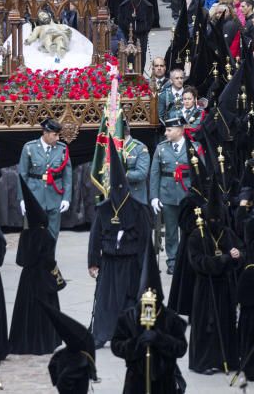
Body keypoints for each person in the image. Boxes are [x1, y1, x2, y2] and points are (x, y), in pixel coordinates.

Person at [88, 139, 150, 349]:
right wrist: (93, 262)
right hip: (109, 261)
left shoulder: (137, 208)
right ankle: (101, 333)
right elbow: (95, 236)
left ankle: (128, 332)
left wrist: (144, 266)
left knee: (129, 299)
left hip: (130, 260)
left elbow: (144, 240)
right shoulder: (104, 208)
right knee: (106, 299)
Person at [111, 236, 187, 393]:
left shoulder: (171, 319)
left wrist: (159, 339)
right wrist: (137, 343)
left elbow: (181, 348)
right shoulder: (128, 318)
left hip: (164, 383)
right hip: (135, 382)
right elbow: (116, 346)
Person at [188, 175, 243, 374]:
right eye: (212, 219)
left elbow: (239, 251)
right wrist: (224, 259)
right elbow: (198, 262)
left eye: (218, 219)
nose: (215, 222)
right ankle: (203, 361)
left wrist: (237, 256)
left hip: (225, 287)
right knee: (206, 326)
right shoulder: (197, 235)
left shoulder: (227, 233)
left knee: (226, 323)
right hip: (206, 287)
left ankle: (226, 359)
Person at [9, 177, 62, 355]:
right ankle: (45, 343)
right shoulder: (46, 236)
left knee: (25, 314)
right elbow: (49, 260)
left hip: (27, 279)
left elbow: (20, 261)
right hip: (43, 278)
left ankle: (24, 343)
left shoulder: (25, 236)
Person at [18, 118, 72, 242]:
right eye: (55, 135)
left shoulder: (62, 149)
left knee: (52, 233)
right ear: (46, 133)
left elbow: (67, 176)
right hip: (34, 196)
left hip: (54, 196)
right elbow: (22, 175)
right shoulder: (29, 148)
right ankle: (33, 261)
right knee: (32, 232)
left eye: (59, 135)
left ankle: (49, 260)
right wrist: (22, 199)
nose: (58, 138)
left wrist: (66, 198)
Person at [150, 117, 191, 275]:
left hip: (186, 195)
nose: (166, 133)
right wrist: (154, 196)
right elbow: (155, 174)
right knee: (171, 232)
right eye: (166, 130)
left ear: (180, 130)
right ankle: (173, 261)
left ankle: (187, 260)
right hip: (167, 195)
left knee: (187, 229)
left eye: (169, 130)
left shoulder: (192, 147)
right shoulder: (161, 148)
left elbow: (198, 173)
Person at [121, 117, 150, 205]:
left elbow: (142, 173)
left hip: (135, 195)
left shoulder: (139, 147)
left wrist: (120, 175)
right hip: (117, 195)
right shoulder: (111, 147)